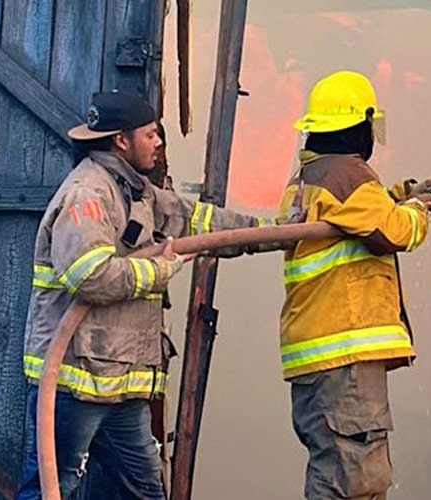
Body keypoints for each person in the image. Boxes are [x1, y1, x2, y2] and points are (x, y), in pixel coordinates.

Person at [16, 90, 282, 499]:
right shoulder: (89, 194)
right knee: (53, 490)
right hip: (75, 386)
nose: (159, 142)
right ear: (121, 140)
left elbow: (202, 222)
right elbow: (90, 276)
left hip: (120, 388)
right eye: (151, 134)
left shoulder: (138, 192)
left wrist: (280, 231)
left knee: (146, 493)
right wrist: (158, 271)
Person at [278, 70, 431, 499]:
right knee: (354, 480)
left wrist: (403, 191)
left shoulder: (314, 176)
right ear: (359, 127)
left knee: (338, 472)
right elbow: (395, 232)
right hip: (346, 358)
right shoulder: (347, 175)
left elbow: (362, 215)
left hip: (321, 360)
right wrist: (425, 203)